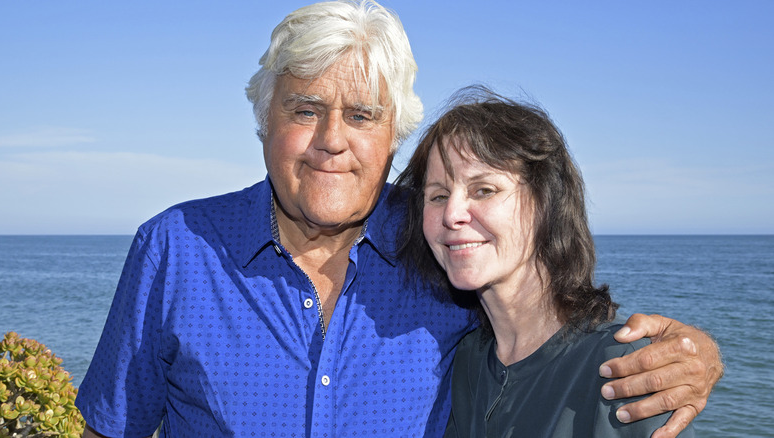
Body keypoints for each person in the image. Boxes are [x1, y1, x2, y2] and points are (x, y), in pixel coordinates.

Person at [75, 1, 722, 437]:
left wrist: (693, 356)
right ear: (263, 122)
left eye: (361, 116)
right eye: (305, 110)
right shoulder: (175, 248)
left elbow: (550, 340)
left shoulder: (445, 244)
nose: (333, 139)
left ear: (393, 136)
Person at [395, 86, 696, 437]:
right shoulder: (468, 361)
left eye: (484, 190)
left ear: (545, 203)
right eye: (438, 195)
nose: (452, 214)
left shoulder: (622, 368)